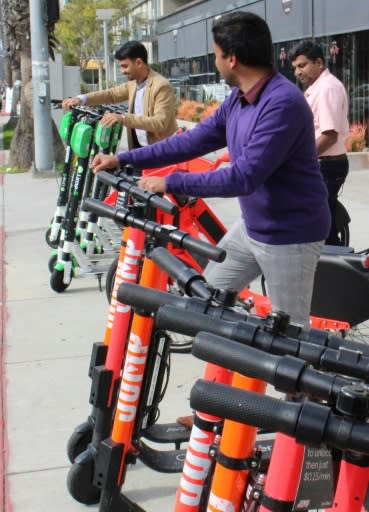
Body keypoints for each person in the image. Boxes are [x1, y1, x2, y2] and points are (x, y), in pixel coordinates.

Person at [92, 10, 330, 428]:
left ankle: (311, 437)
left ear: (232, 58)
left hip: (290, 235)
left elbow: (245, 175)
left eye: (217, 54)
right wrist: (126, 159)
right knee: (209, 307)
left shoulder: (282, 103)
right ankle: (223, 409)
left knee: (294, 344)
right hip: (254, 228)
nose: (216, 61)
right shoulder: (239, 100)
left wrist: (173, 184)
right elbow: (191, 141)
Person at [62, 40, 178, 149]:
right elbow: (111, 94)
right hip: (139, 149)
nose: (122, 71)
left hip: (161, 152)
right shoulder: (133, 83)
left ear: (139, 62)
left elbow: (159, 122)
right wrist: (81, 99)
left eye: (125, 66)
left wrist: (123, 118)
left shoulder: (161, 86)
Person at [289, 41, 349, 245]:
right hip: (324, 165)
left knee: (319, 225)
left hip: (328, 165)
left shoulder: (327, 88)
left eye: (302, 65)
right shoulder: (319, 87)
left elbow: (329, 134)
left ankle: (339, 268)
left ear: (319, 63)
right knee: (322, 219)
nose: (298, 72)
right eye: (295, 68)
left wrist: (301, 160)